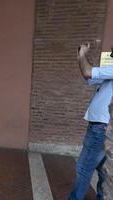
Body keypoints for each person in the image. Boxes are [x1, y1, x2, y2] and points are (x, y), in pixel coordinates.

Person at [69, 43, 109, 200]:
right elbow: (91, 77)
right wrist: (82, 57)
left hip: (101, 129)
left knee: (84, 168)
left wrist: (82, 56)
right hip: (104, 129)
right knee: (104, 170)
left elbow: (87, 72)